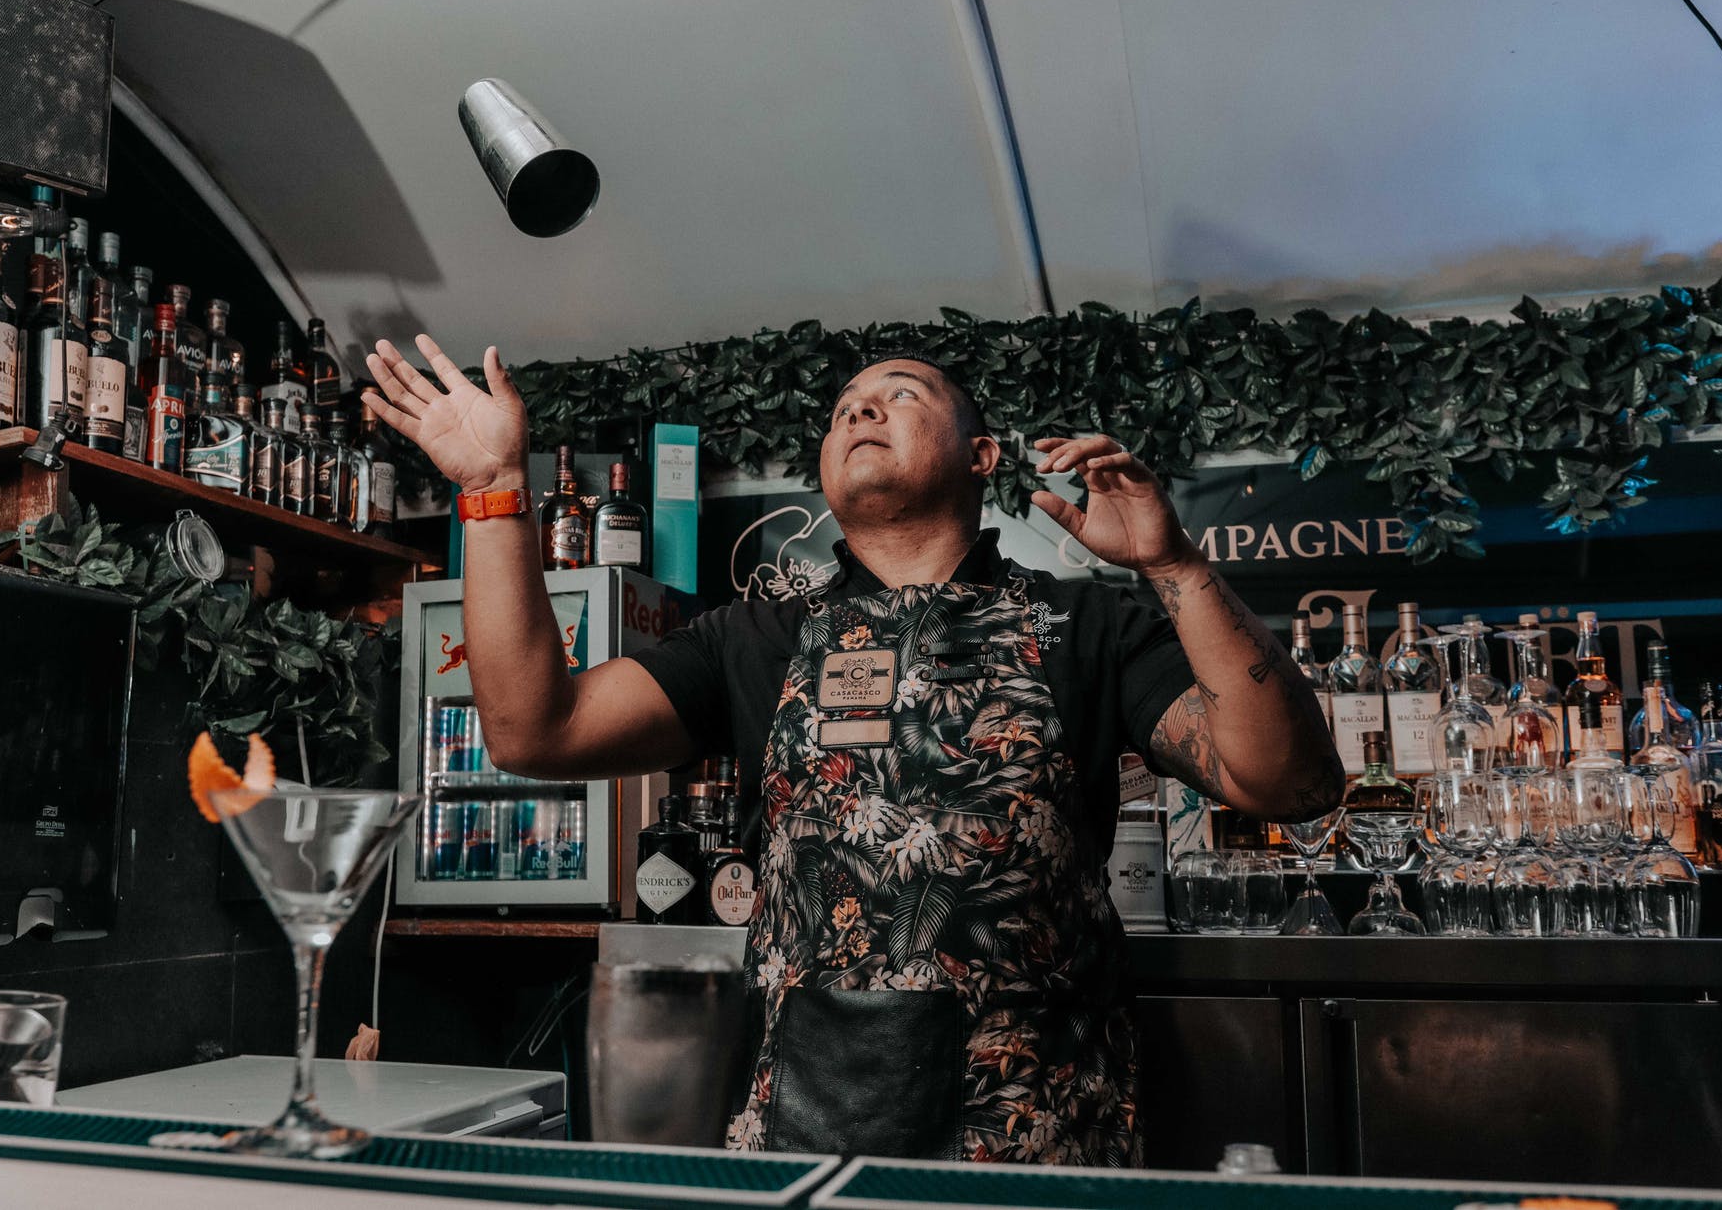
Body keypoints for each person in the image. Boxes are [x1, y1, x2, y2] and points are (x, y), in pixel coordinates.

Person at [363, 338, 1343, 1167]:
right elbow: (535, 730)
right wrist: (494, 492)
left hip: (1036, 1131)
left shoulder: (1083, 625)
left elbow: (1289, 781)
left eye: (898, 398)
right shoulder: (753, 636)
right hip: (803, 1132)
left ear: (980, 454)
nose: (859, 413)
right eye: (842, 410)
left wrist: (1174, 566)